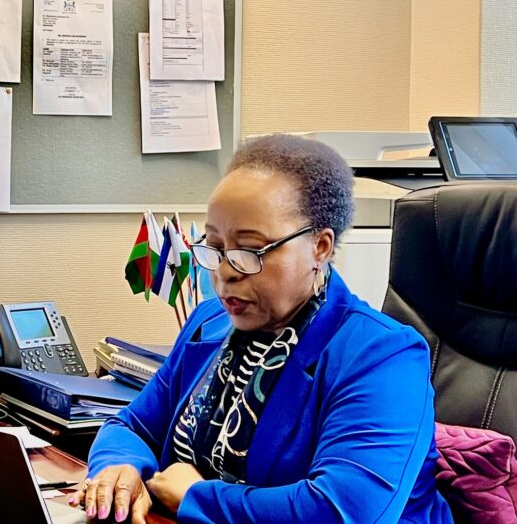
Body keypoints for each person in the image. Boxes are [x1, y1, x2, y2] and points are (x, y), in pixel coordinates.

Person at [73, 135, 453, 523]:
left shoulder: (382, 356)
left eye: (249, 251)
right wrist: (119, 469)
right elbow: (131, 425)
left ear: (320, 247)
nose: (225, 272)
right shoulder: (210, 323)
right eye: (215, 247)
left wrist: (195, 497)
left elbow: (340, 511)